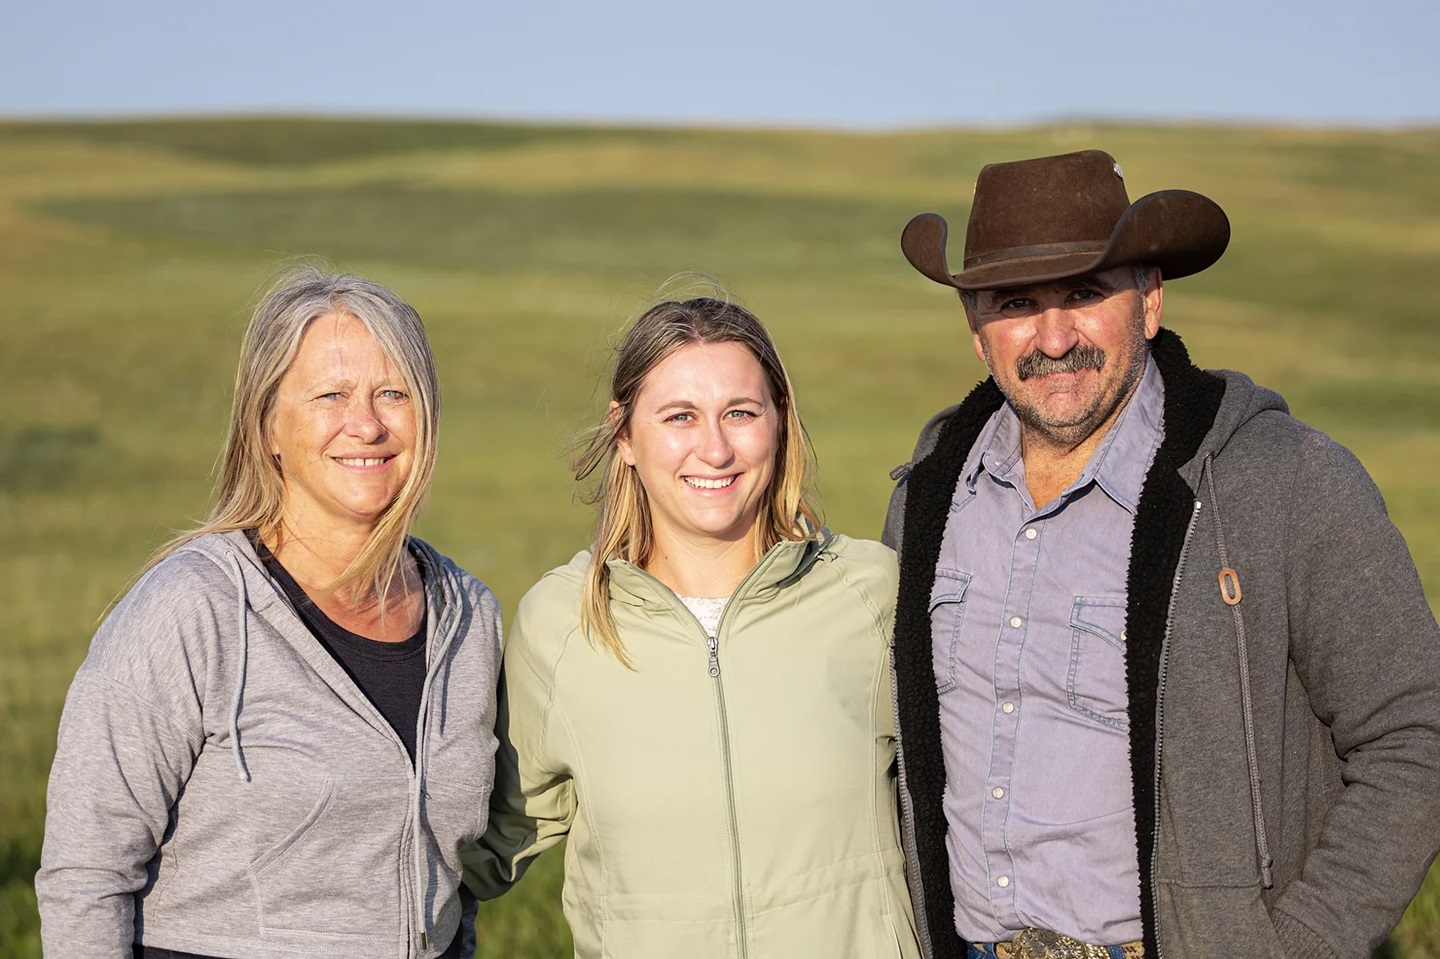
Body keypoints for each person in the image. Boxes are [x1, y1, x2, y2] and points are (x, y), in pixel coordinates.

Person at [883, 149, 1440, 959]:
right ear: (977, 329)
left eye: (1083, 293)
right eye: (1015, 302)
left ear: (1149, 300)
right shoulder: (931, 494)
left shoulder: (1282, 482)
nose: (1053, 335)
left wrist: (1298, 946)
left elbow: (1416, 732)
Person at [37, 267, 502, 959]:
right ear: (269, 426)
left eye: (392, 393)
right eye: (331, 395)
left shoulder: (468, 616)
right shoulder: (189, 610)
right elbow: (86, 875)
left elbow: (449, 877)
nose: (367, 423)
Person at [464, 291, 922, 958]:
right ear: (624, 434)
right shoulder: (561, 626)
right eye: (679, 416)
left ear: (780, 422)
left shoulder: (872, 592)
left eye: (740, 412)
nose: (714, 448)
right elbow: (488, 845)